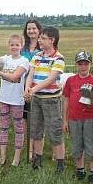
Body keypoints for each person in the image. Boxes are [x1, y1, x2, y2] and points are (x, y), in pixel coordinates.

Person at [24, 26, 67, 173]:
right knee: (36, 130)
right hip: (36, 99)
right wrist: (27, 89)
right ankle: (37, 160)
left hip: (51, 100)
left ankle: (60, 164)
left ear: (52, 40)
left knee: (55, 131)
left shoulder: (58, 58)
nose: (40, 41)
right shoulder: (36, 56)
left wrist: (33, 89)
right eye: (40, 38)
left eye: (43, 38)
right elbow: (30, 74)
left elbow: (51, 79)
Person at [0, 34, 29, 167]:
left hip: (17, 100)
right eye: (12, 44)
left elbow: (14, 77)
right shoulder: (6, 59)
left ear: (21, 46)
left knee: (18, 128)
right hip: (3, 98)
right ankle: (3, 156)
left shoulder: (24, 61)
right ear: (8, 45)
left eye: (17, 45)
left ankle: (16, 158)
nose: (14, 47)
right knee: (3, 127)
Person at [62, 50, 93, 184]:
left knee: (91, 145)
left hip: (90, 118)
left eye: (86, 64)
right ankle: (80, 170)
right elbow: (66, 99)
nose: (83, 67)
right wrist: (65, 120)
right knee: (76, 146)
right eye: (80, 64)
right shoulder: (70, 80)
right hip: (73, 118)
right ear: (76, 65)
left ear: (91, 65)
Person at [21, 19, 43, 161]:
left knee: (37, 122)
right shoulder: (22, 49)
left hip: (39, 89)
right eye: (29, 29)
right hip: (23, 88)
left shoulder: (43, 50)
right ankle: (28, 149)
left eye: (34, 28)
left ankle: (37, 151)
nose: (31, 31)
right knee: (25, 120)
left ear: (39, 30)